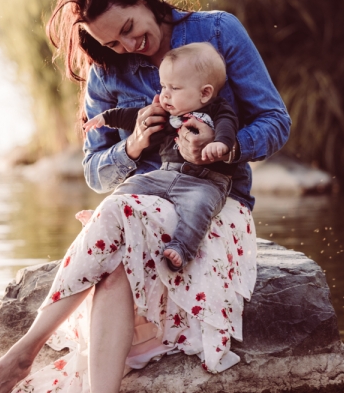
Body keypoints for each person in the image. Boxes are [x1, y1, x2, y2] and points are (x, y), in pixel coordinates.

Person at [0, 0, 290, 393]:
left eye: (130, 29)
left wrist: (222, 148)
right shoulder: (107, 71)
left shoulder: (217, 33)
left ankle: (27, 348)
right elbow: (96, 172)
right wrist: (132, 147)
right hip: (143, 200)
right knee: (116, 251)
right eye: (113, 42)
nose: (129, 46)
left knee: (117, 218)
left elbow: (276, 122)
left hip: (211, 202)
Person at [84, 41, 238, 270]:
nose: (164, 95)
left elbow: (227, 126)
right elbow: (131, 115)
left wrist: (221, 144)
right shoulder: (167, 112)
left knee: (198, 208)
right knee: (132, 185)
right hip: (165, 174)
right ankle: (102, 217)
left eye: (174, 89)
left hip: (205, 182)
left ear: (205, 93)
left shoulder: (218, 109)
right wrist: (104, 118)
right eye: (163, 86)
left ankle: (182, 249)